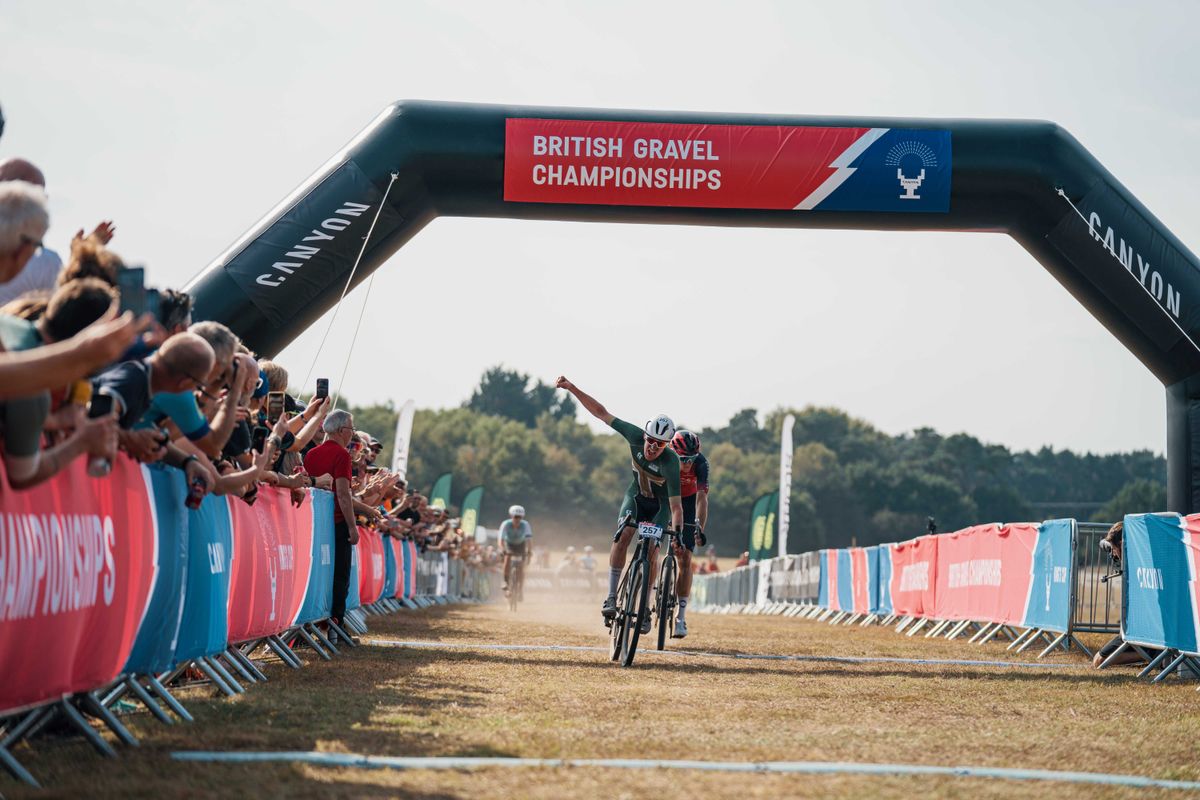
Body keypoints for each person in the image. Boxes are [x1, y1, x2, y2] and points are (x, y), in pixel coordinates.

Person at [555, 376, 682, 633]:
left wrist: (677, 533)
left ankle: (644, 608)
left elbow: (676, 507)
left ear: (667, 446)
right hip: (635, 498)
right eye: (650, 441)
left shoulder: (671, 463)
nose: (652, 447)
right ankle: (611, 596)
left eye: (659, 445)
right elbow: (601, 413)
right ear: (644, 435)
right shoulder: (634, 435)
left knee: (652, 551)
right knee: (623, 535)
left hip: (659, 507)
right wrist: (571, 388)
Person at [303, 409, 360, 640]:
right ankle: (336, 624)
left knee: (318, 575)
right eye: (350, 430)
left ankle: (314, 626)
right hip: (336, 523)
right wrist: (353, 526)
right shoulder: (342, 455)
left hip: (316, 524)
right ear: (339, 430)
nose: (352, 435)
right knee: (340, 576)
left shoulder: (311, 454)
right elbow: (343, 495)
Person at [1092, 521, 1164, 668]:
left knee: (1098, 661)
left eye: (1114, 549)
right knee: (1099, 660)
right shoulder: (1144, 558)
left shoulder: (1137, 565)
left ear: (1122, 544)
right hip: (1144, 629)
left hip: (1143, 630)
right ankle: (1155, 655)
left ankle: (1153, 656)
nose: (1113, 554)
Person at [669, 429, 709, 639]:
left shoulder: (701, 464)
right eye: (682, 459)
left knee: (685, 559)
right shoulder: (665, 458)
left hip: (687, 503)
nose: (686, 464)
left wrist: (699, 528)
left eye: (690, 459)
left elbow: (702, 498)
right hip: (664, 499)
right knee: (650, 548)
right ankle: (645, 605)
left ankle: (680, 617)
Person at [499, 504, 533, 593]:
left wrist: (529, 551)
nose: (517, 519)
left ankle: (520, 589)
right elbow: (500, 540)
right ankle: (505, 581)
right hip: (509, 544)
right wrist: (503, 549)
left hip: (521, 544)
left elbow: (529, 540)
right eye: (515, 517)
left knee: (521, 567)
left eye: (520, 517)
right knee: (507, 558)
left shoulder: (525, 524)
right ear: (511, 516)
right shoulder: (505, 524)